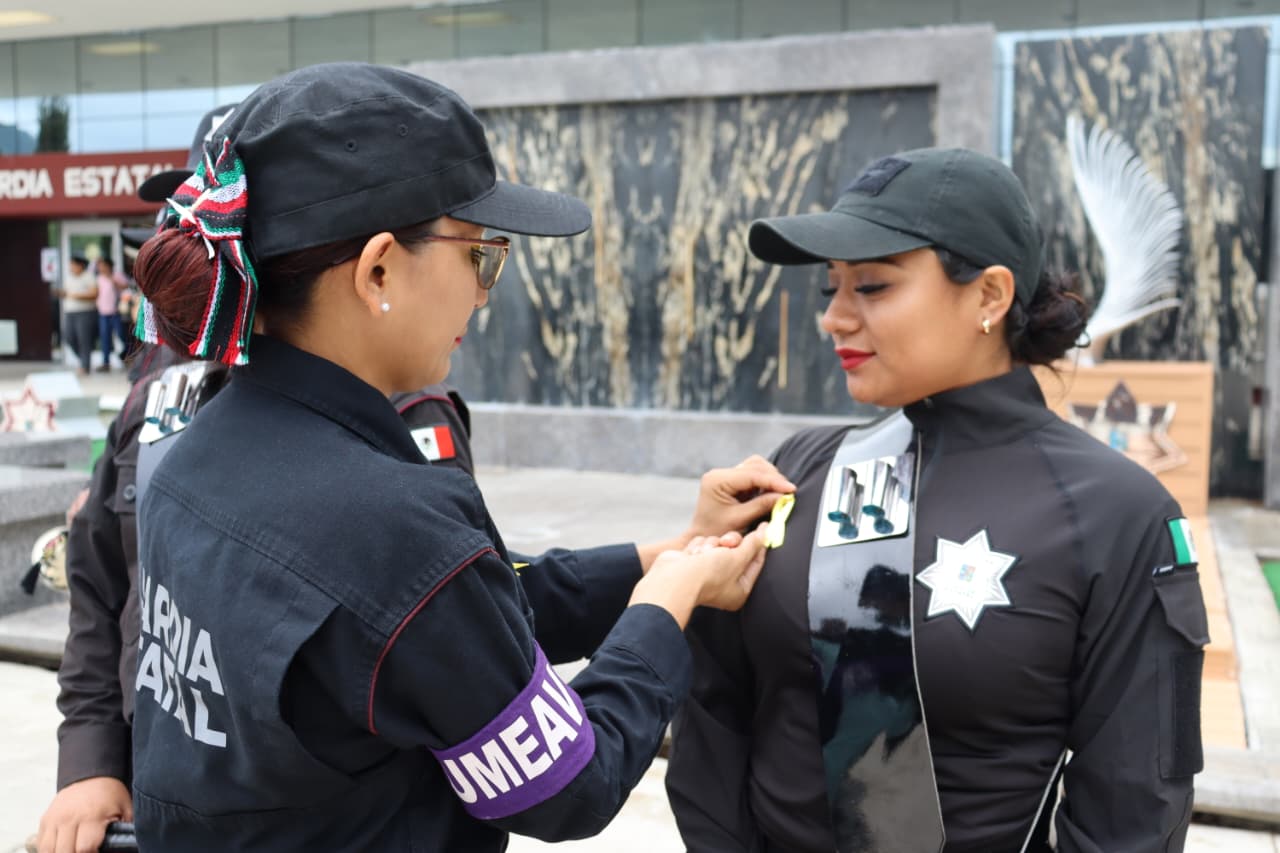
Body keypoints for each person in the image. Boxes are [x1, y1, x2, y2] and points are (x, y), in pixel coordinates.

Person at [126, 62, 789, 852]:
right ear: (378, 270)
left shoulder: (197, 452)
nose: (483, 293)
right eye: (479, 255)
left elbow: (452, 625)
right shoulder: (387, 520)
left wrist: (668, 555)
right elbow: (567, 784)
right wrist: (666, 608)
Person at [666, 148, 1210, 852]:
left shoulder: (1116, 513)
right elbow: (715, 713)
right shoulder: (797, 469)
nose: (834, 317)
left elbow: (1133, 809)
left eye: (872, 286)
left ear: (989, 295)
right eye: (829, 288)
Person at [54, 256, 97, 376]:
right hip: (70, 312)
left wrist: (76, 296)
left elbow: (94, 294)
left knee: (84, 339)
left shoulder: (89, 277)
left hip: (85, 312)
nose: (71, 267)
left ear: (80, 265)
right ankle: (83, 359)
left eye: (73, 265)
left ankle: (85, 366)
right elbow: (66, 293)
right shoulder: (69, 278)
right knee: (68, 336)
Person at [94, 258, 128, 372]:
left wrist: (112, 279)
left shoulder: (116, 275)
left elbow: (125, 286)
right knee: (105, 338)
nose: (101, 268)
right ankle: (105, 362)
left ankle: (127, 355)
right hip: (103, 312)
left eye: (103, 265)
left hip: (116, 311)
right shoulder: (98, 278)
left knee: (122, 335)